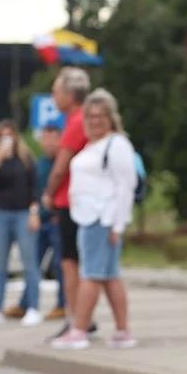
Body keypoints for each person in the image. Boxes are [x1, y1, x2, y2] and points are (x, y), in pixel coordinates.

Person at [49, 90, 138, 350]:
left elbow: (125, 186)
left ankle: (79, 329)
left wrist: (118, 224)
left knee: (90, 275)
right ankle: (122, 331)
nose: (94, 121)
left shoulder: (117, 144)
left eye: (100, 116)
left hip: (103, 218)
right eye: (90, 116)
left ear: (111, 118)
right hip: (88, 218)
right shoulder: (92, 145)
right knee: (109, 276)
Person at [0, 119, 43, 328]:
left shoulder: (26, 159)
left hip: (23, 212)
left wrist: (34, 211)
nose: (6, 139)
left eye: (9, 135)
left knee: (29, 263)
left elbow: (34, 188)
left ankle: (33, 307)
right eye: (1, 136)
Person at [40, 67, 92, 339]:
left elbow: (60, 167)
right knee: (81, 263)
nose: (53, 96)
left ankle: (76, 319)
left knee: (70, 263)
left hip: (69, 201)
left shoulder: (75, 121)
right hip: (83, 201)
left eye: (56, 91)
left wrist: (48, 193)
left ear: (70, 94)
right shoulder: (85, 118)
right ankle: (83, 316)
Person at [31, 125, 66, 319]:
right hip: (41, 220)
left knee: (60, 265)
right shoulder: (40, 164)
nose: (48, 144)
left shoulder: (64, 161)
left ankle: (63, 304)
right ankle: (27, 303)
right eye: (44, 140)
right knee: (33, 262)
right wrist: (34, 212)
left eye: (52, 139)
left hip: (58, 219)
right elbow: (34, 193)